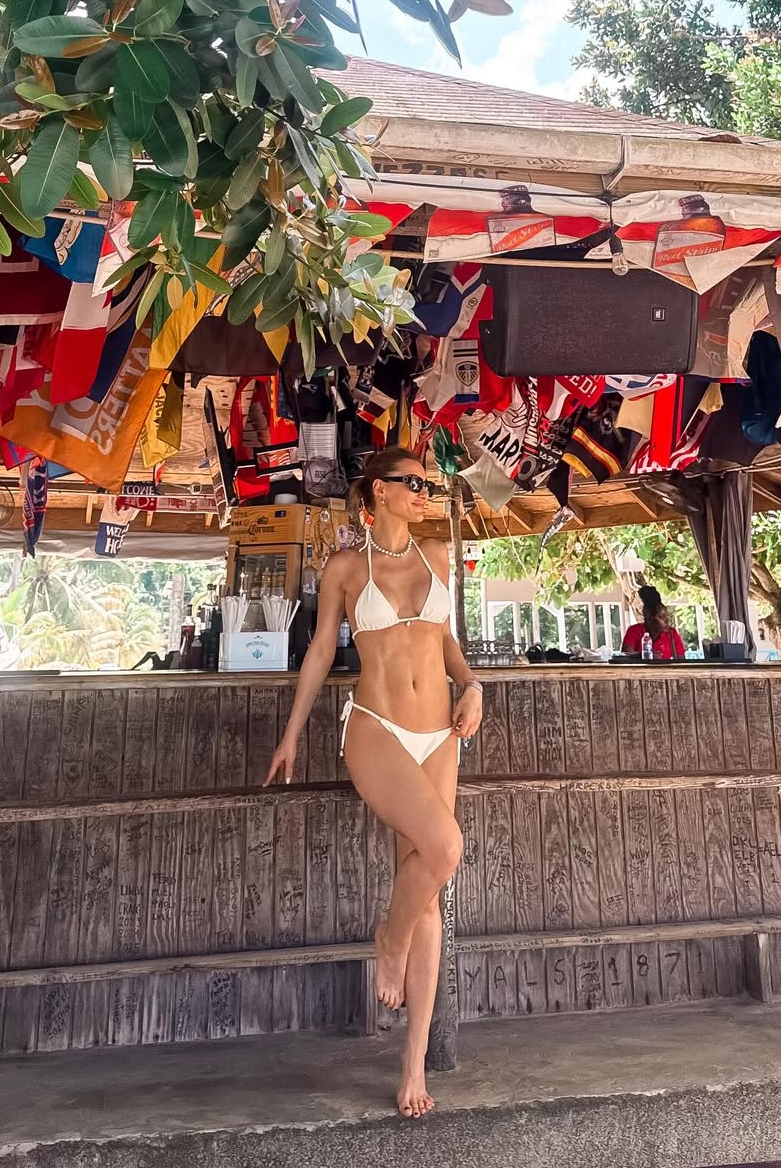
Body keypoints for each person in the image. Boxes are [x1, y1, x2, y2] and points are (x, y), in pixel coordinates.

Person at [264, 448, 484, 1119]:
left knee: (429, 896)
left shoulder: (438, 556)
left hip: (440, 733)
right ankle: (388, 941)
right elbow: (320, 652)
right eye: (411, 482)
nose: (424, 491)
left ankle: (412, 1063)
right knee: (444, 849)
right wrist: (291, 733)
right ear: (378, 491)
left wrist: (474, 685)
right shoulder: (345, 567)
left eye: (428, 484)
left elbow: (448, 646)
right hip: (378, 729)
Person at [621, 585, 686, 660]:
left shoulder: (672, 634)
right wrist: (644, 655)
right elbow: (625, 658)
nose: (667, 620)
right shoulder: (634, 631)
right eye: (661, 617)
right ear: (649, 618)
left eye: (667, 616)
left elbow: (681, 661)